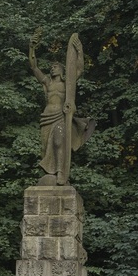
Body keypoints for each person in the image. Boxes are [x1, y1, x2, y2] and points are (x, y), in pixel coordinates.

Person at [28, 32, 95, 185]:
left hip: (61, 116)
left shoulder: (67, 84)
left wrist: (80, 51)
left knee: (59, 142)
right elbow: (34, 67)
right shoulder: (47, 82)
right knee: (46, 148)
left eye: (56, 66)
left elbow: (79, 70)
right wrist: (31, 48)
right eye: (51, 67)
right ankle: (49, 174)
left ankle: (60, 172)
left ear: (62, 70)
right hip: (47, 117)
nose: (52, 68)